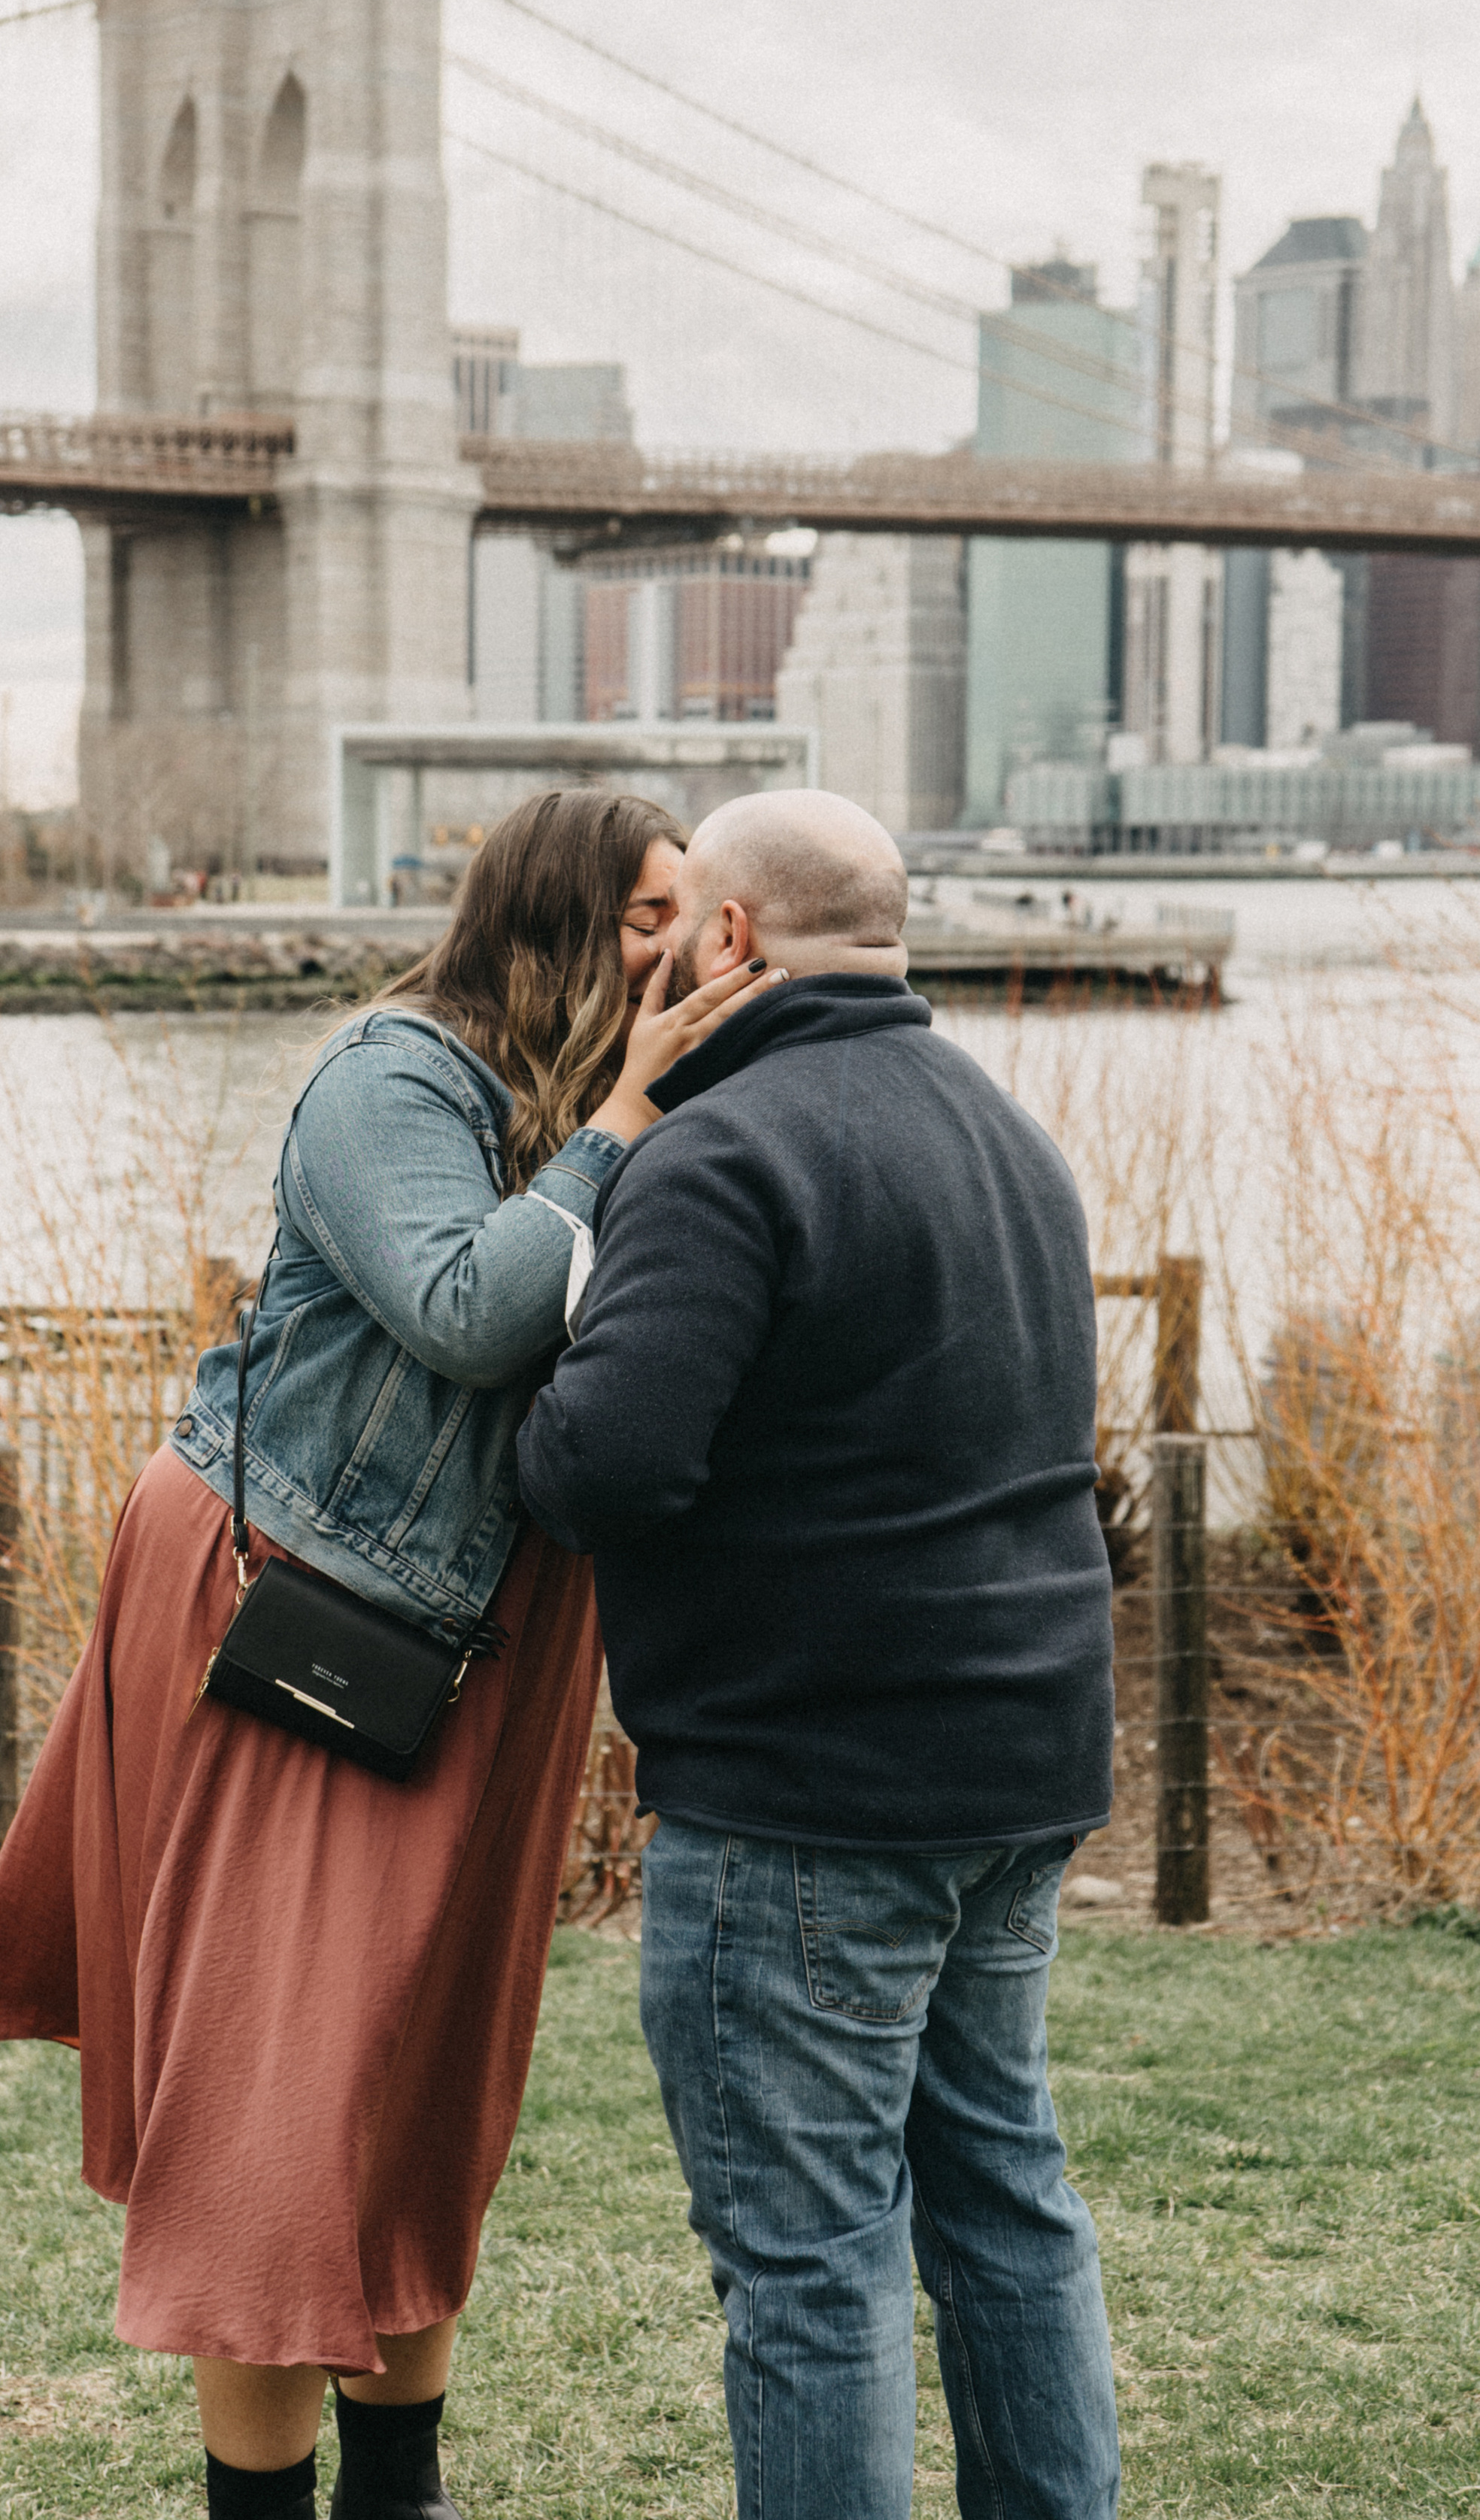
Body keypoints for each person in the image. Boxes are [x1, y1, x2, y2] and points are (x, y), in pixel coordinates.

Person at [0, 787, 777, 2520]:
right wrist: (626, 1109)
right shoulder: (391, 1079)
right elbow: (470, 1313)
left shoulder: (619, 1098)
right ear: (546, 918)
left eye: (685, 914)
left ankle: (400, 2493)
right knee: (273, 2098)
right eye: (638, 914)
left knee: (412, 2083)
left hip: (490, 1637)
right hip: (298, 1606)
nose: (670, 946)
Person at [517, 788, 1120, 2520]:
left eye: (677, 920)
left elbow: (603, 1465)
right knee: (1003, 2199)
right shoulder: (1007, 1137)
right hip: (1015, 1766)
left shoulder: (721, 1150)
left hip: (806, 1795)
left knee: (807, 2263)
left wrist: (499, 1420)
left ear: (729, 939)